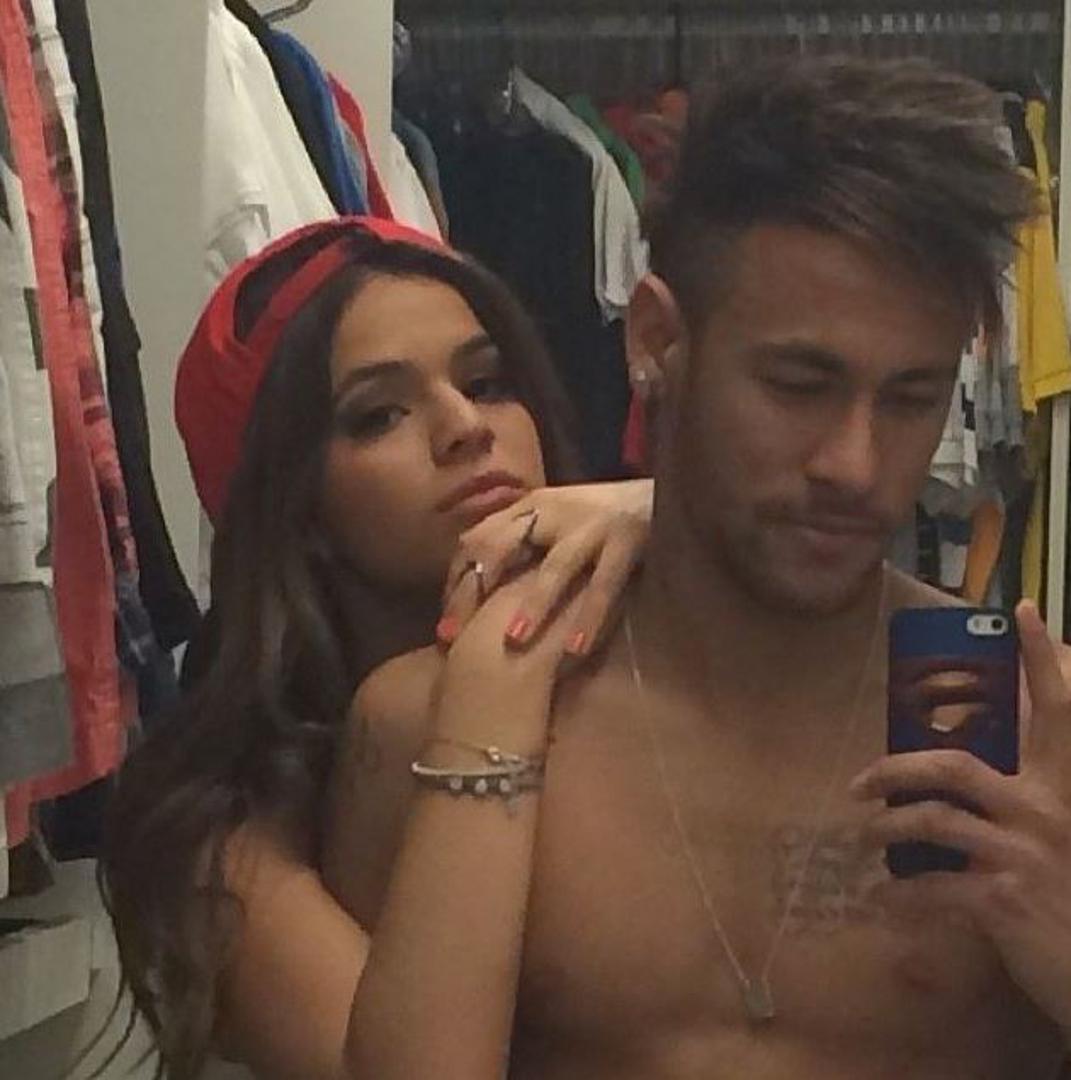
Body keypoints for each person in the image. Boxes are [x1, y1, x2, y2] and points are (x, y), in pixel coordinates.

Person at [325, 57, 1071, 1079]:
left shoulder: (1035, 751)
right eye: (798, 384)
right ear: (656, 340)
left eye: (910, 399)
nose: (855, 465)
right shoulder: (433, 723)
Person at [100, 216, 653, 1080]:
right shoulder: (223, 832)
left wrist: (664, 513)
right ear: (296, 507)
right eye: (378, 414)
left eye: (488, 381)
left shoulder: (644, 656)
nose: (465, 426)